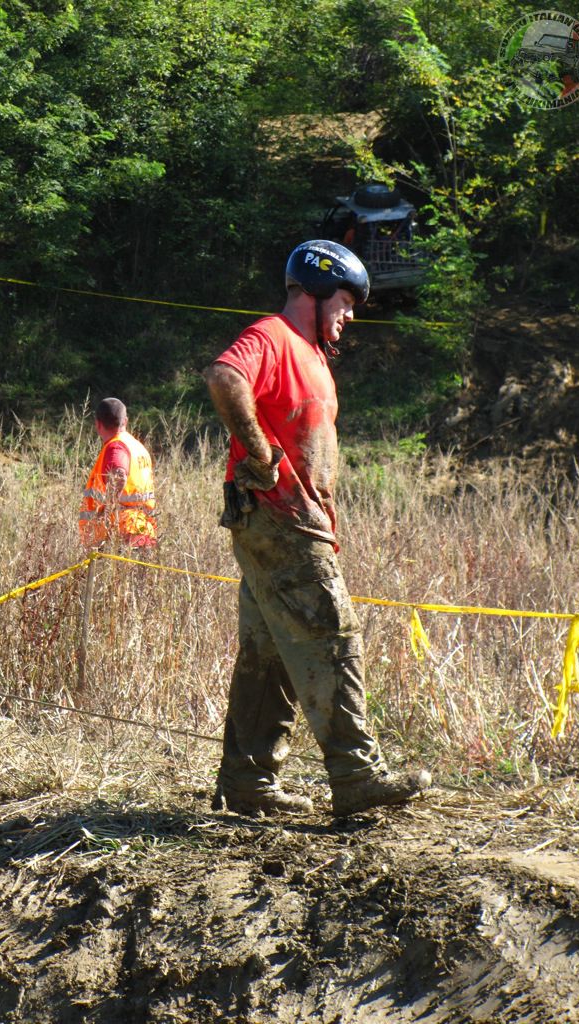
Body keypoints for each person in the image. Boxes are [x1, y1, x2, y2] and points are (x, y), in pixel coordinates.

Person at [204, 240, 431, 817]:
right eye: (347, 300)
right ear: (315, 287)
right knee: (332, 635)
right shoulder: (273, 337)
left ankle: (248, 782)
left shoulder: (313, 356)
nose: (352, 314)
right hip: (280, 519)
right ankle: (357, 774)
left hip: (290, 523)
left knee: (271, 653)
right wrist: (261, 456)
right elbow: (225, 378)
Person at [78, 397, 157, 549]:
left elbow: (119, 474)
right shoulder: (137, 447)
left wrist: (107, 512)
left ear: (98, 424)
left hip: (122, 533)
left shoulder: (116, 447)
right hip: (141, 529)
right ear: (125, 421)